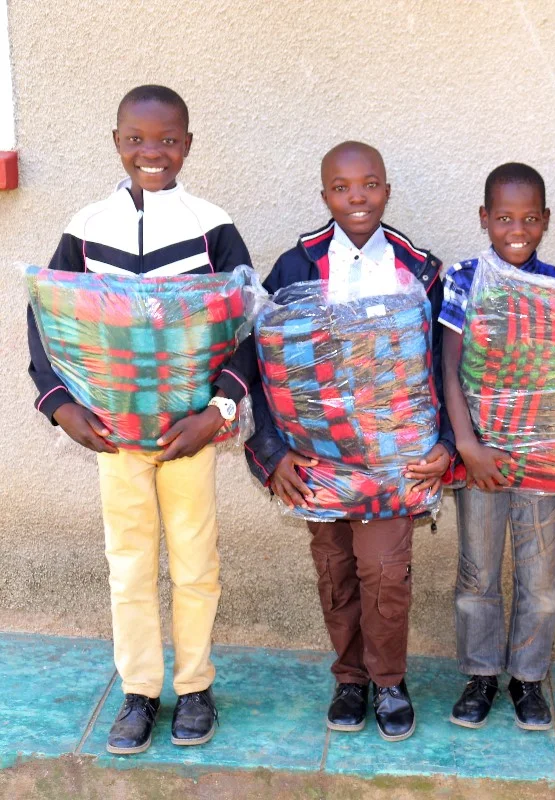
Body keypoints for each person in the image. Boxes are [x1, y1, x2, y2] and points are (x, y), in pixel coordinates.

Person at [26, 85, 257, 755]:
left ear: (187, 144)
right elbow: (48, 314)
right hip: (115, 435)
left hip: (189, 432)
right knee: (127, 563)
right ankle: (138, 690)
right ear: (117, 142)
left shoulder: (212, 226)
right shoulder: (87, 227)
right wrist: (60, 404)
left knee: (195, 561)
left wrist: (218, 410)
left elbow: (247, 323)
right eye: (136, 139)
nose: (151, 152)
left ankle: (195, 687)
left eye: (167, 140)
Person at [243, 141, 452, 742]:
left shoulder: (418, 271)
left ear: (387, 190)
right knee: (335, 569)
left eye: (369, 184)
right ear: (324, 195)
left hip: (396, 463)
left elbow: (446, 364)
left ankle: (389, 681)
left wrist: (446, 443)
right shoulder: (295, 268)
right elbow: (259, 361)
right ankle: (351, 678)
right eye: (341, 187)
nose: (357, 197)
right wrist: (272, 453)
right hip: (319, 458)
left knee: (384, 571)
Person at [440, 163, 555, 730]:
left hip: (545, 464)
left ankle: (527, 679)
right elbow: (449, 368)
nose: (516, 230)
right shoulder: (466, 279)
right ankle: (479, 675)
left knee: (538, 579)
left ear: (545, 220)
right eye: (503, 218)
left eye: (528, 219)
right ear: (484, 218)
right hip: (482, 462)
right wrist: (467, 445)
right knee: (477, 574)